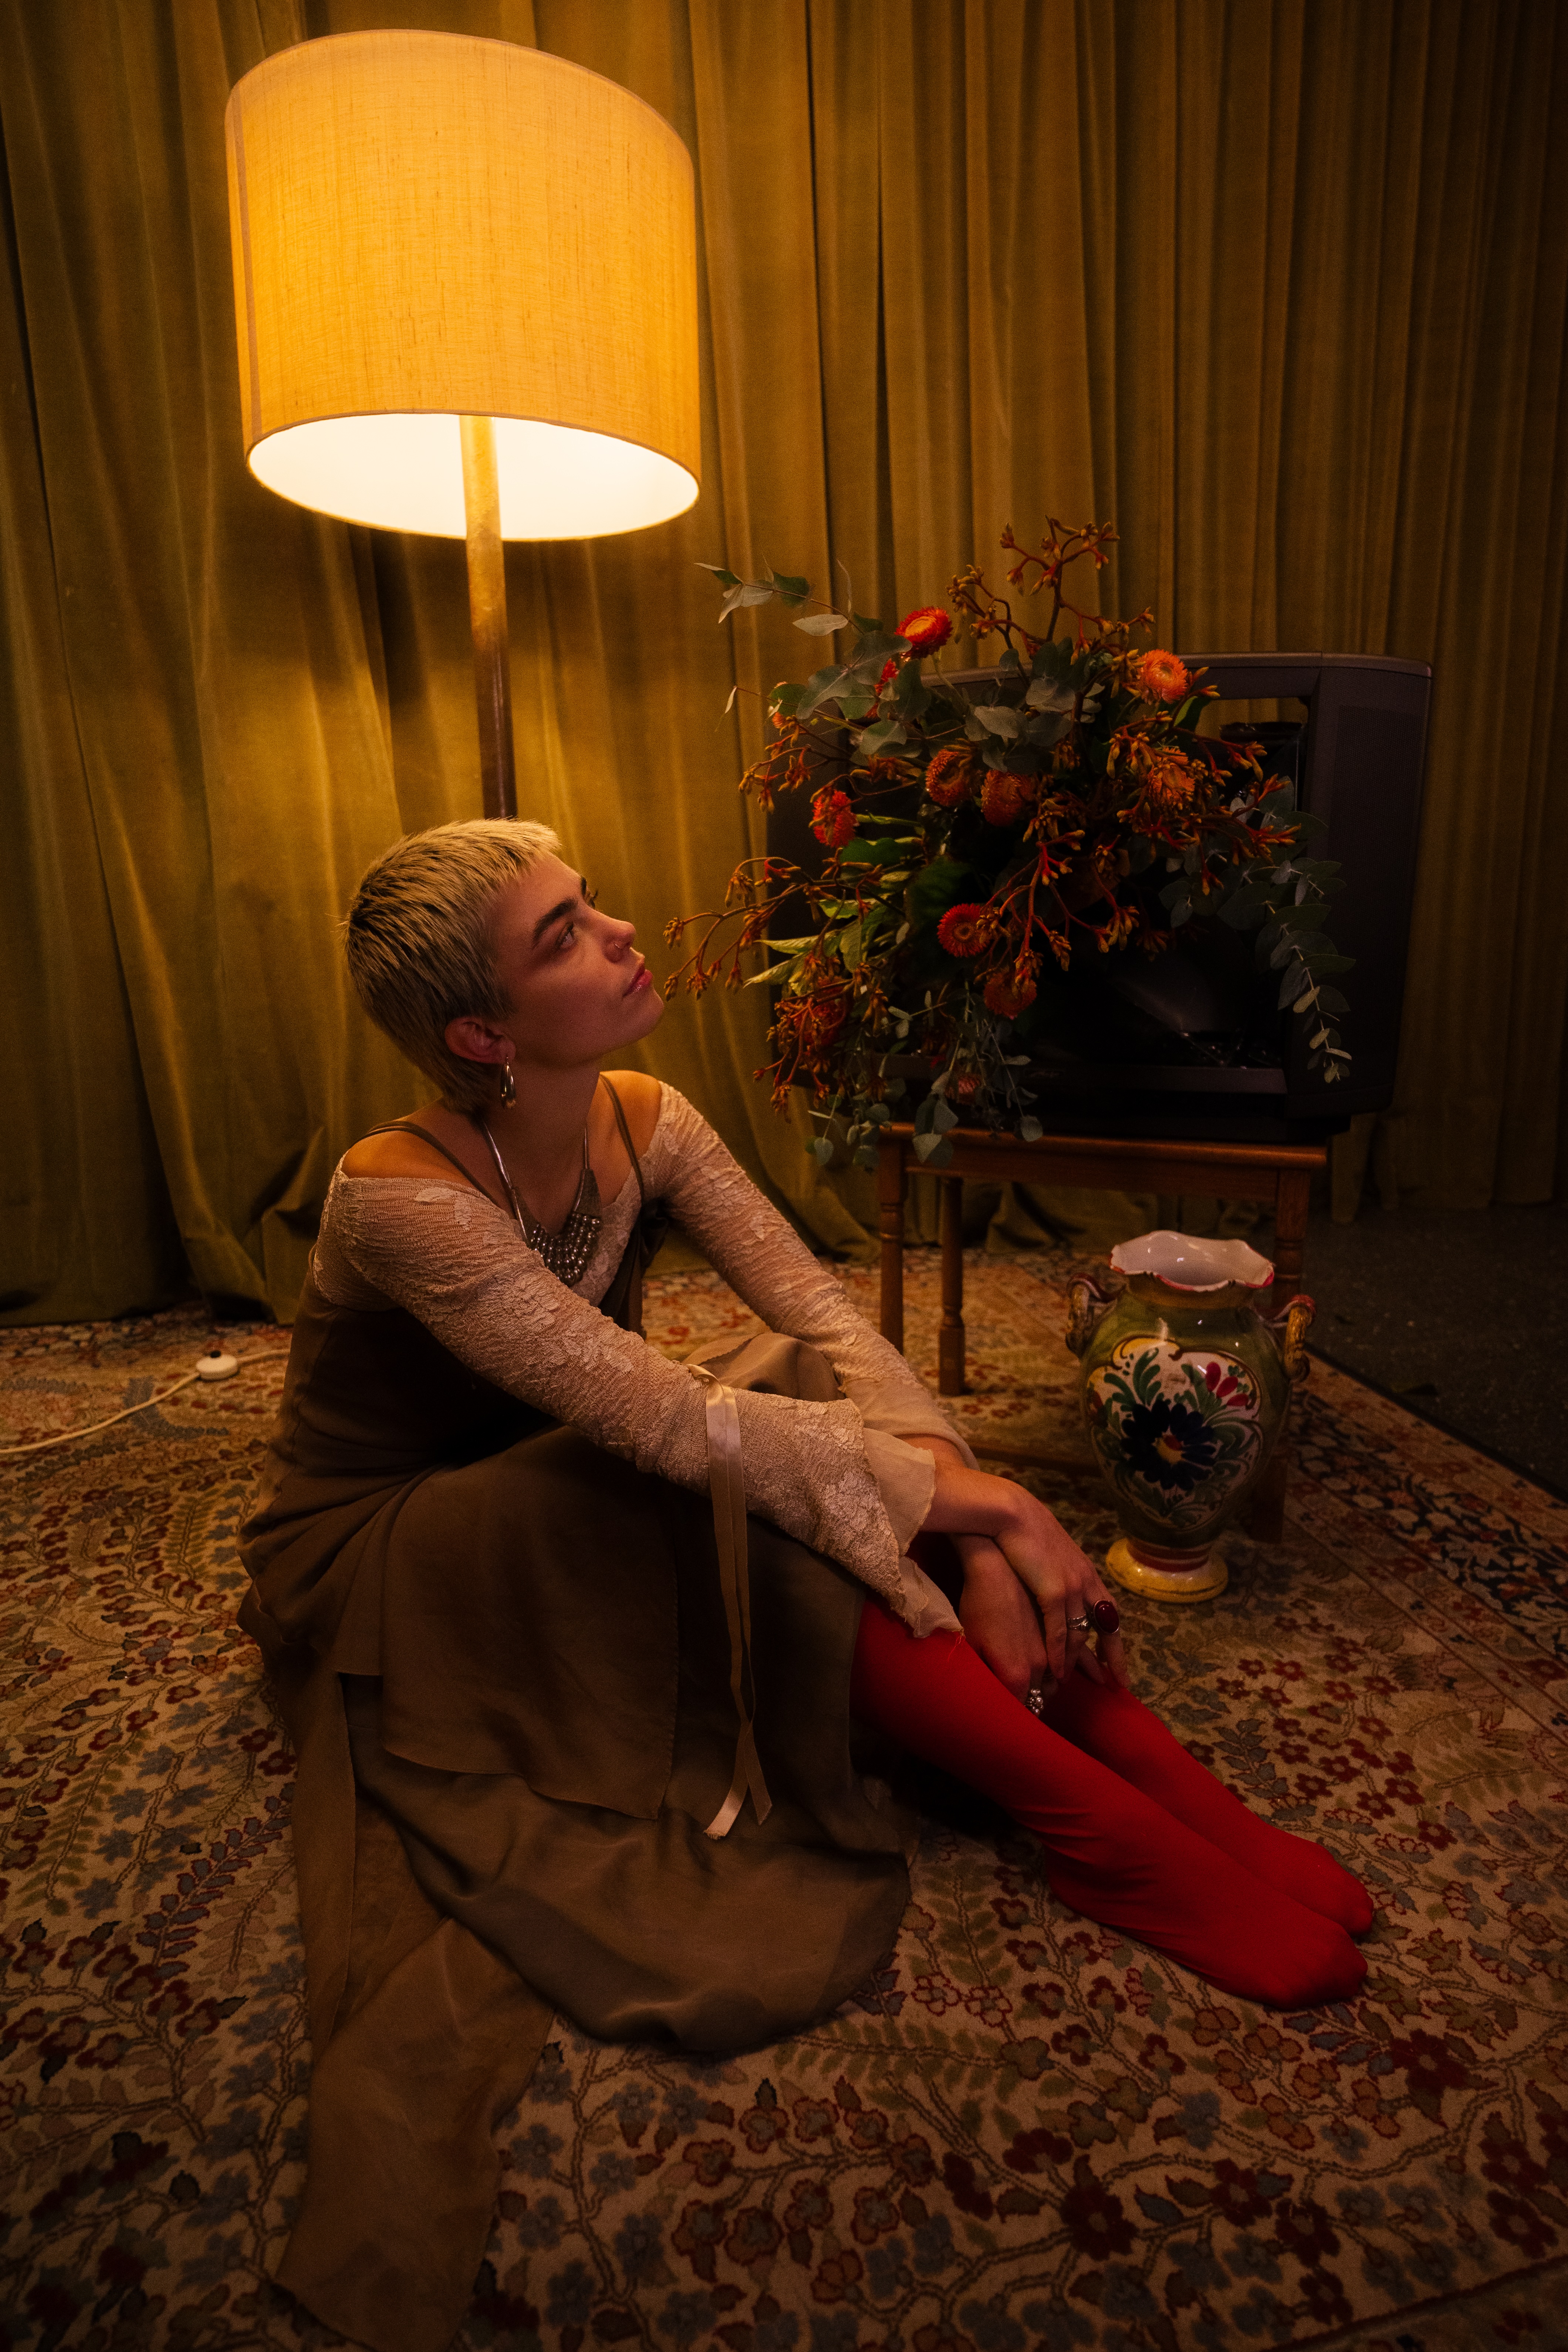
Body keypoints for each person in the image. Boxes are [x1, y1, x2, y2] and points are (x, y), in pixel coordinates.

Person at [239, 817, 1371, 2352]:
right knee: (713, 1450)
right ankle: (1087, 1814)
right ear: (480, 1033)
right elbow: (662, 1417)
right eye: (564, 932)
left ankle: (1137, 1768)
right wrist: (994, 1499)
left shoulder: (647, 1114)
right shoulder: (401, 1197)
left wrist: (968, 1525)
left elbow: (828, 1323)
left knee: (794, 1408)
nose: (624, 931)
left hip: (579, 1477)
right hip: (388, 1549)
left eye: (593, 896)